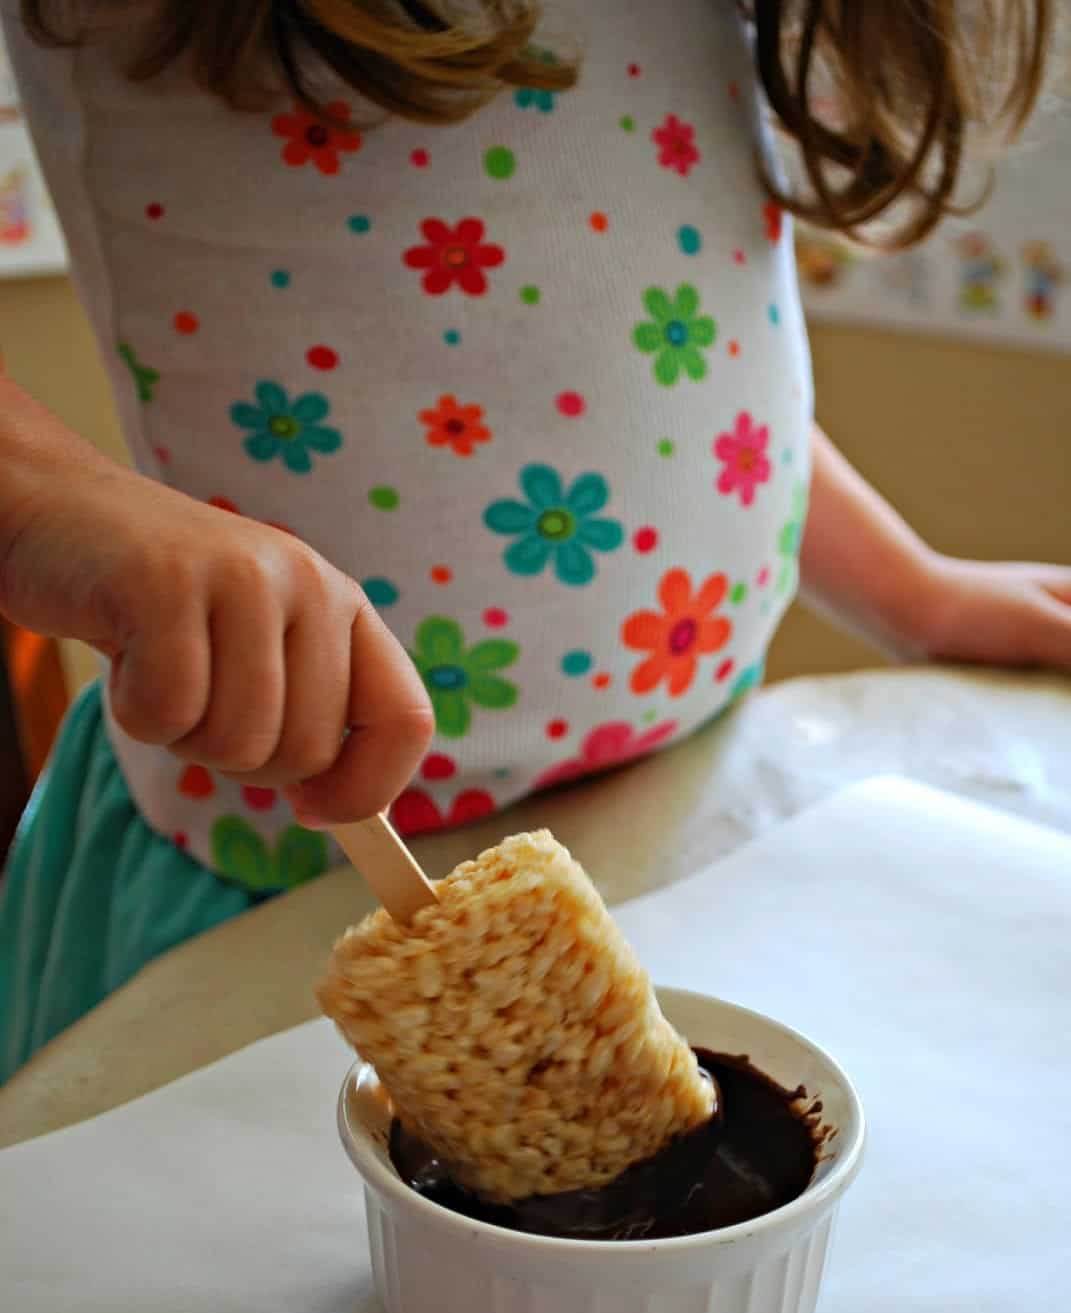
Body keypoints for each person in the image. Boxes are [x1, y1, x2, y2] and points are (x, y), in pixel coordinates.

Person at [1, 0, 1067, 1079]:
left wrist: (909, 590)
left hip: (682, 791)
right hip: (289, 885)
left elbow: (639, 366)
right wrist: (46, 499)